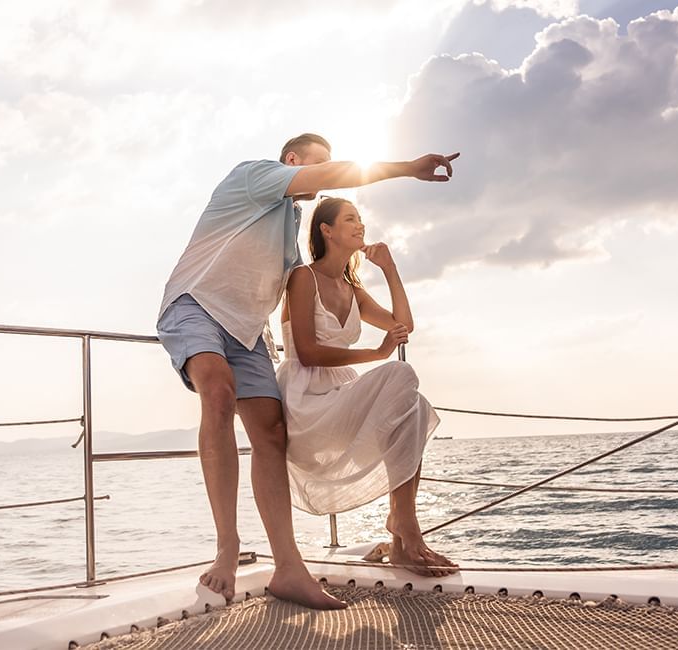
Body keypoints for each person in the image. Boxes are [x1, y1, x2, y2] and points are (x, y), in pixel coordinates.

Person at [156, 134, 458, 608]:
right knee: (217, 394)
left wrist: (380, 270)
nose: (325, 172)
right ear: (292, 161)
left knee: (272, 435)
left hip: (248, 334)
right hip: (197, 304)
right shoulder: (254, 176)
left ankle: (289, 568)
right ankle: (228, 547)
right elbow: (310, 341)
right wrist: (406, 167)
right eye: (319, 164)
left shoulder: (290, 237)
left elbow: (324, 294)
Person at [278, 197, 459, 577]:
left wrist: (390, 270)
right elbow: (308, 353)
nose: (360, 225)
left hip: (342, 398)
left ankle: (402, 535)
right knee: (402, 376)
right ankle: (405, 527)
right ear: (327, 231)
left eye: (360, 219)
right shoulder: (302, 278)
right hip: (307, 404)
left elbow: (403, 327)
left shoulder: (352, 290)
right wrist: (376, 353)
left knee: (416, 408)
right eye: (350, 219)